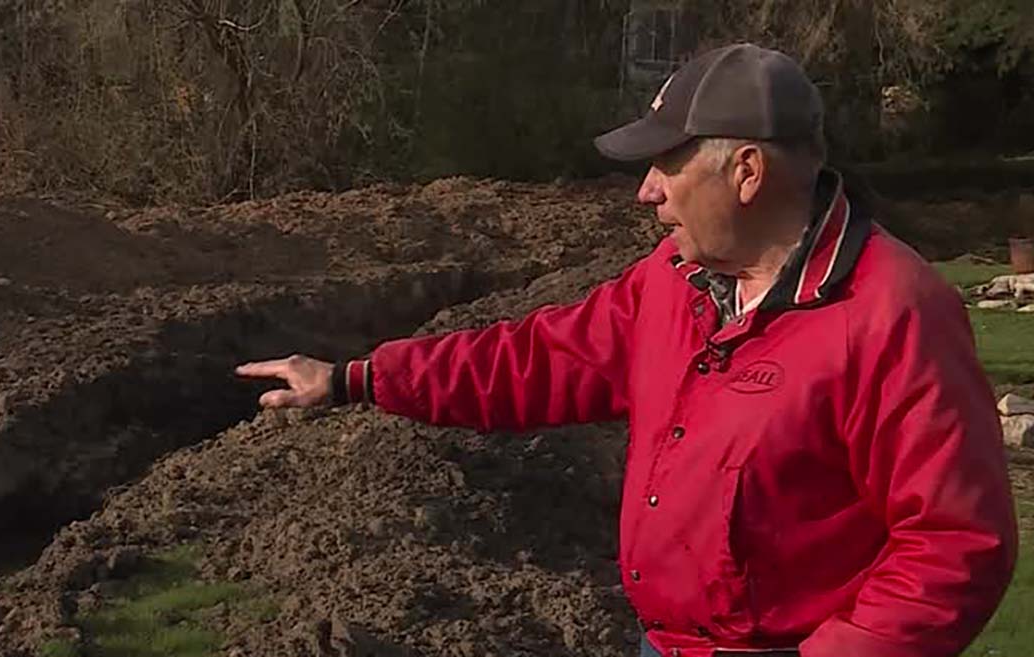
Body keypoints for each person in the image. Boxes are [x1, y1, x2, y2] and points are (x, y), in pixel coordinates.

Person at [235, 43, 1018, 657]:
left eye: (665, 164)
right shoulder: (673, 282)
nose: (646, 190)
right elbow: (536, 360)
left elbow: (954, 543)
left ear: (746, 170)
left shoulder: (893, 315)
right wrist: (356, 379)